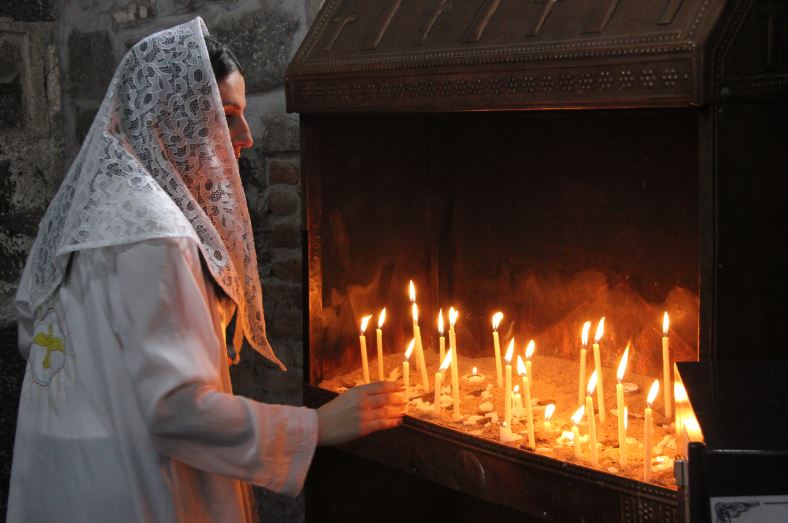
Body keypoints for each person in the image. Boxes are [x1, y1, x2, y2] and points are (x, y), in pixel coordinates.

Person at [6, 18, 403, 522]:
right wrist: (318, 426)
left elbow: (35, 336)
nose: (246, 137)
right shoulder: (155, 234)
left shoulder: (90, 209)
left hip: (64, 473)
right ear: (171, 115)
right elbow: (176, 409)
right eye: (227, 116)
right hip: (132, 484)